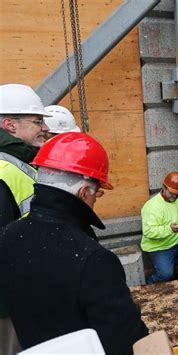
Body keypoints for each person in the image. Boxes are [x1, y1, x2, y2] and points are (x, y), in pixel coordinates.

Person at [0, 132, 148, 354]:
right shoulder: (93, 259)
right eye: (97, 195)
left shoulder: (8, 237)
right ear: (84, 192)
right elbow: (124, 339)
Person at [0, 83, 51, 355]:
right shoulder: (2, 171)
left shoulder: (19, 161)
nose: (44, 127)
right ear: (10, 124)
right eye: (37, 121)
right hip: (10, 304)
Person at [141, 172, 178, 283]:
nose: (174, 196)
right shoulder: (152, 206)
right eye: (172, 193)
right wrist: (169, 229)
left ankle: (176, 266)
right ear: (163, 188)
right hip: (158, 248)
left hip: (177, 244)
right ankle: (148, 283)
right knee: (165, 275)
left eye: (177, 194)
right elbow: (149, 232)